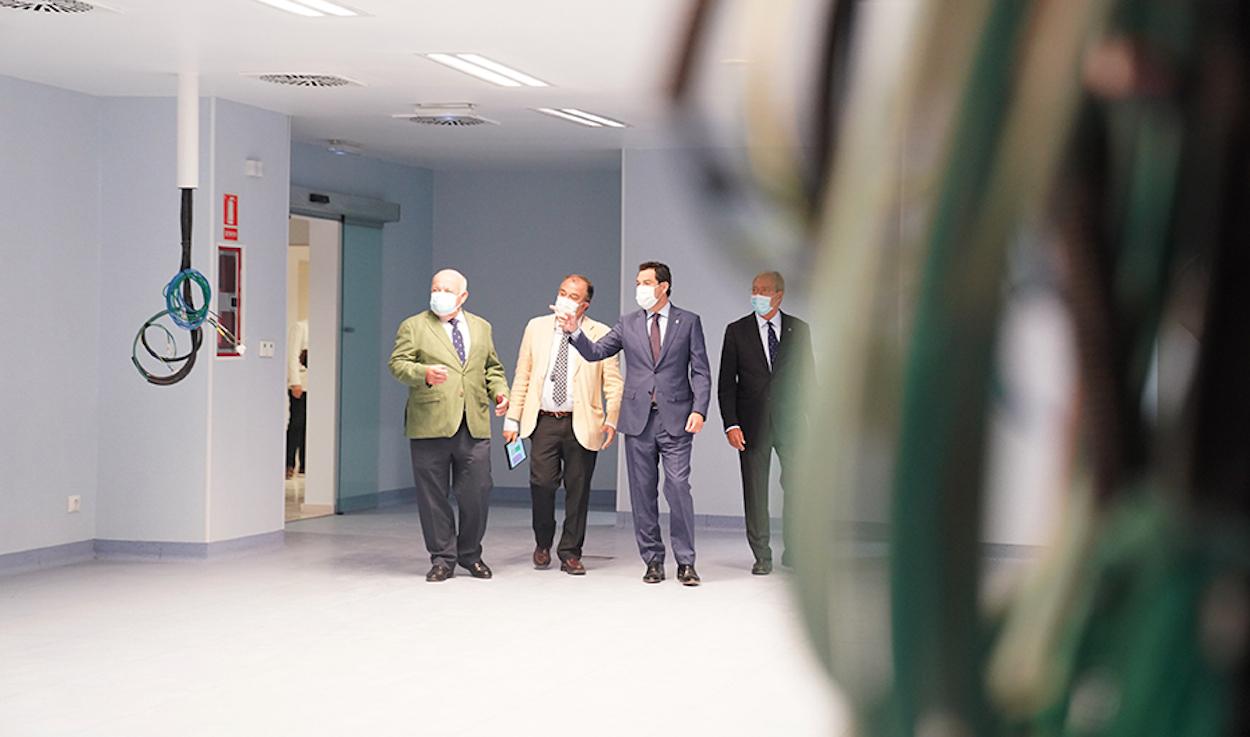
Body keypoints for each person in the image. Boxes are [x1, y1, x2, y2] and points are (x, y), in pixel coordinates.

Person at [555, 261, 711, 586]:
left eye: (646, 282)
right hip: (638, 419)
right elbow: (596, 351)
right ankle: (652, 560)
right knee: (642, 493)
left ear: (663, 286)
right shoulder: (628, 323)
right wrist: (573, 331)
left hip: (678, 418)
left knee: (678, 486)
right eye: (638, 282)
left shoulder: (689, 322)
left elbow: (701, 370)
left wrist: (700, 409)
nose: (639, 288)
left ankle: (686, 562)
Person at [388, 269, 510, 583]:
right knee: (433, 496)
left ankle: (470, 554)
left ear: (463, 296)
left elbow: (492, 368)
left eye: (446, 289)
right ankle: (443, 558)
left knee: (477, 491)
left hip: (474, 422)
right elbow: (398, 364)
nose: (439, 293)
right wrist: (423, 373)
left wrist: (500, 392)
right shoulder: (414, 326)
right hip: (430, 423)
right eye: (435, 288)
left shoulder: (481, 327)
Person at [503, 275, 623, 575]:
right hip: (543, 420)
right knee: (541, 484)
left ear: (585, 304)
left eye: (573, 295)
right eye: (562, 292)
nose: (565, 299)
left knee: (578, 490)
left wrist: (612, 419)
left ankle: (570, 551)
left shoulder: (601, 333)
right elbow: (522, 375)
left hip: (581, 422)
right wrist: (512, 418)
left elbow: (614, 383)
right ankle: (542, 542)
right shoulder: (536, 327)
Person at [717, 271, 815, 574]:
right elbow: (726, 384)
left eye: (763, 290)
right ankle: (762, 555)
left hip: (792, 422)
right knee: (756, 492)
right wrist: (731, 424)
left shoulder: (799, 329)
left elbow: (807, 378)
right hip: (751, 426)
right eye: (754, 289)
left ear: (779, 294)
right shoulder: (737, 331)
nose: (757, 294)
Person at [286, 319, 309, 480]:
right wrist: (295, 382)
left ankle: (306, 465)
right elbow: (293, 356)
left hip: (317, 386)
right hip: (301, 384)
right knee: (297, 423)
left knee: (310, 426)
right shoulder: (301, 327)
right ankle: (289, 463)